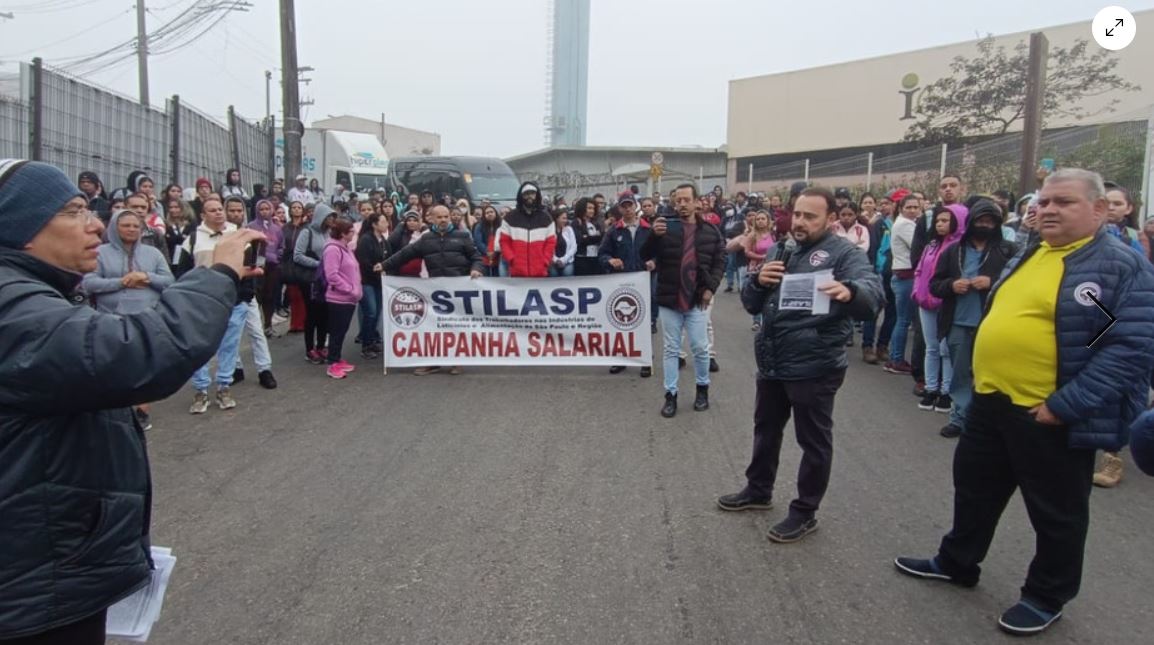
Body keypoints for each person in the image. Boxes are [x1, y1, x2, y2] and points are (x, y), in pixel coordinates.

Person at [0, 159, 262, 645]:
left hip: (47, 565)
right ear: (21, 228)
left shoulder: (32, 294)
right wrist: (217, 272)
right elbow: (145, 352)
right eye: (75, 211)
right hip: (34, 586)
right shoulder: (14, 307)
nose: (95, 222)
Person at [895, 169, 1154, 636]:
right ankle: (957, 562)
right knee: (974, 490)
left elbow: (1125, 346)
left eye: (1064, 202)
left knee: (1056, 511)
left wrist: (1066, 404)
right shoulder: (1033, 252)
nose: (1049, 209)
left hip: (1050, 413)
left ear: (1098, 210)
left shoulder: (1115, 265)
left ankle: (1045, 595)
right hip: (992, 402)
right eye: (1046, 200)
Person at [717, 187, 882, 543]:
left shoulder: (844, 254)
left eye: (811, 216)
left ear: (831, 219)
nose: (801, 222)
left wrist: (852, 292)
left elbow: (872, 293)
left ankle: (805, 511)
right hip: (774, 361)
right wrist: (758, 282)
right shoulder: (781, 248)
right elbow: (751, 303)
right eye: (798, 215)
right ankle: (758, 489)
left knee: (813, 441)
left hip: (815, 365)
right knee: (765, 429)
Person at [81, 208, 176, 432]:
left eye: (136, 226)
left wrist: (145, 277)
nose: (132, 229)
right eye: (126, 225)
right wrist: (122, 282)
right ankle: (118, 408)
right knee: (116, 365)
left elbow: (169, 280)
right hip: (112, 317)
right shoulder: (101, 252)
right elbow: (88, 283)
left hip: (148, 315)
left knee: (145, 363)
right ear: (115, 227)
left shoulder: (152, 254)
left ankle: (142, 410)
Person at [928, 198, 1016, 439]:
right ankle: (959, 419)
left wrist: (993, 283)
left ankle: (986, 423)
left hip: (994, 325)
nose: (985, 225)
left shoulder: (1008, 250)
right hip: (957, 321)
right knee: (959, 375)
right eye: (980, 220)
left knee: (991, 375)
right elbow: (934, 285)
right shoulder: (953, 251)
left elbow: (1020, 284)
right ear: (971, 222)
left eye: (990, 221)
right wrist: (951, 285)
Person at [640, 184, 725, 418]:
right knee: (670, 349)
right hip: (670, 299)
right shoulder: (664, 227)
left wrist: (711, 288)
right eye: (678, 200)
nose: (683, 204)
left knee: (700, 347)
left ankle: (702, 389)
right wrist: (652, 237)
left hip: (697, 299)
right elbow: (645, 255)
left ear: (697, 201)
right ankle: (670, 395)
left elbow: (720, 260)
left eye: (687, 199)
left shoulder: (710, 230)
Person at [383, 205, 483, 376]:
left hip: (458, 290)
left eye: (446, 216)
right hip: (435, 291)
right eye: (439, 217)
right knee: (433, 328)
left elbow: (476, 257)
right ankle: (432, 362)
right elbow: (405, 254)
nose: (443, 220)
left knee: (456, 327)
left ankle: (456, 361)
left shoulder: (463, 236)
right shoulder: (426, 238)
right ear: (432, 219)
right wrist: (384, 265)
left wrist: (476, 268)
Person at [182, 197, 251, 413]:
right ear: (203, 215)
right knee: (200, 348)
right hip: (202, 303)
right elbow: (182, 272)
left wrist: (245, 298)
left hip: (233, 302)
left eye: (220, 209)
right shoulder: (193, 239)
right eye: (212, 210)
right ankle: (201, 390)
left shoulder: (238, 236)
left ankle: (224, 387)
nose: (218, 213)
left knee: (229, 347)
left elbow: (250, 268)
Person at [224, 197, 277, 390]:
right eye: (232, 210)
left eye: (239, 210)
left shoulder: (251, 235)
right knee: (230, 334)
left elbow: (259, 262)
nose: (236, 214)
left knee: (256, 331)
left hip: (247, 291)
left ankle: (265, 369)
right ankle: (235, 367)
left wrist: (252, 283)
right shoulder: (220, 237)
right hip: (224, 293)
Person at [911, 206, 961, 414]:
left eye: (945, 220)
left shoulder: (959, 247)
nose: (940, 224)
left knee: (945, 349)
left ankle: (946, 391)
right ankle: (931, 388)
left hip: (946, 303)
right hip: (925, 302)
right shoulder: (930, 245)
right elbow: (920, 269)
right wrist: (917, 292)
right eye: (938, 220)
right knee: (931, 347)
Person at [599, 194, 655, 377]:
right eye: (624, 206)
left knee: (643, 322)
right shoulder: (614, 231)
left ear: (635, 206)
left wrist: (654, 261)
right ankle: (621, 359)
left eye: (630, 205)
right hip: (621, 282)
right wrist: (610, 260)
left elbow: (660, 252)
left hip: (643, 280)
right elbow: (602, 254)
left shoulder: (648, 229)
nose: (628, 209)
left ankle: (646, 359)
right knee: (620, 321)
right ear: (620, 209)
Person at [322, 218, 364, 379]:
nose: (353, 233)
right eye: (351, 231)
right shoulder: (333, 249)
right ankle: (332, 363)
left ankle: (337, 358)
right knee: (337, 332)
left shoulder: (346, 248)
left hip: (348, 298)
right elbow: (332, 275)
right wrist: (350, 289)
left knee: (342, 330)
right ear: (342, 233)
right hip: (338, 298)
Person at [884, 193, 921, 374]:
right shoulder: (905, 225)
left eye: (916, 207)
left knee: (902, 319)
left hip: (903, 275)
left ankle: (895, 357)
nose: (913, 210)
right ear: (901, 208)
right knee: (903, 320)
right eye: (909, 207)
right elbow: (918, 246)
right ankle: (896, 359)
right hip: (906, 275)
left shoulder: (904, 223)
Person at [294, 204, 335, 364]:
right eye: (329, 217)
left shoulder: (329, 234)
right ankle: (309, 348)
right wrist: (318, 264)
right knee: (312, 314)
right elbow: (297, 255)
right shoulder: (307, 232)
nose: (332, 220)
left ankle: (321, 345)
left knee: (324, 314)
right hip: (310, 279)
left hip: (325, 280)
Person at [499, 182, 555, 278]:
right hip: (517, 273)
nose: (530, 196)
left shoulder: (546, 218)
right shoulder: (510, 218)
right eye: (526, 194)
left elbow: (551, 242)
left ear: (537, 195)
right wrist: (512, 259)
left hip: (540, 273)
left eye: (532, 193)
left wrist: (545, 261)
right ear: (521, 196)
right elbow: (504, 242)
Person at [355, 211, 391, 359]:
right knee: (370, 312)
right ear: (375, 224)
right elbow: (363, 262)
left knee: (376, 313)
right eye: (383, 221)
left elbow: (389, 257)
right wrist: (376, 270)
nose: (386, 224)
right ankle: (366, 343)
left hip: (379, 282)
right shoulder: (365, 240)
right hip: (367, 281)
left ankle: (372, 339)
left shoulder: (383, 239)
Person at [248, 199, 284, 334]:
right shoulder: (251, 226)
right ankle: (255, 327)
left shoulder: (276, 228)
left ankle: (268, 325)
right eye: (261, 209)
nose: (264, 211)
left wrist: (277, 256)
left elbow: (281, 246)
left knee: (269, 295)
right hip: (256, 266)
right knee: (257, 296)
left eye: (267, 209)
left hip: (272, 266)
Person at [280, 202, 309, 333]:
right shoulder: (285, 227)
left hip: (303, 262)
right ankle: (294, 323)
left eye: (299, 208)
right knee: (292, 294)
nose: (296, 210)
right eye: (294, 208)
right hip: (288, 263)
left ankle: (303, 322)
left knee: (303, 293)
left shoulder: (307, 228)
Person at [571, 197, 604, 276]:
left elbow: (602, 238)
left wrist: (589, 237)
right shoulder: (576, 222)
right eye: (589, 208)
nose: (592, 211)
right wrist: (595, 237)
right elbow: (580, 240)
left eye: (593, 208)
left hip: (595, 258)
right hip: (582, 259)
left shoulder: (596, 223)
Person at [472, 204, 502, 277]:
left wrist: (495, 252)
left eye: (491, 212)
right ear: (484, 215)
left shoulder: (501, 225)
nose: (489, 214)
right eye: (487, 213)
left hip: (498, 257)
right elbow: (478, 242)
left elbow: (503, 240)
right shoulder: (479, 226)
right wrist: (487, 252)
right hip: (484, 257)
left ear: (495, 213)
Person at [549, 209, 577, 277]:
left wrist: (563, 260)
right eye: (563, 218)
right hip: (553, 262)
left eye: (566, 218)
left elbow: (574, 247)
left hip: (567, 262)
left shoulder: (569, 230)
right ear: (557, 218)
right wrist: (556, 260)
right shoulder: (550, 231)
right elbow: (548, 248)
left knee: (567, 275)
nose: (565, 220)